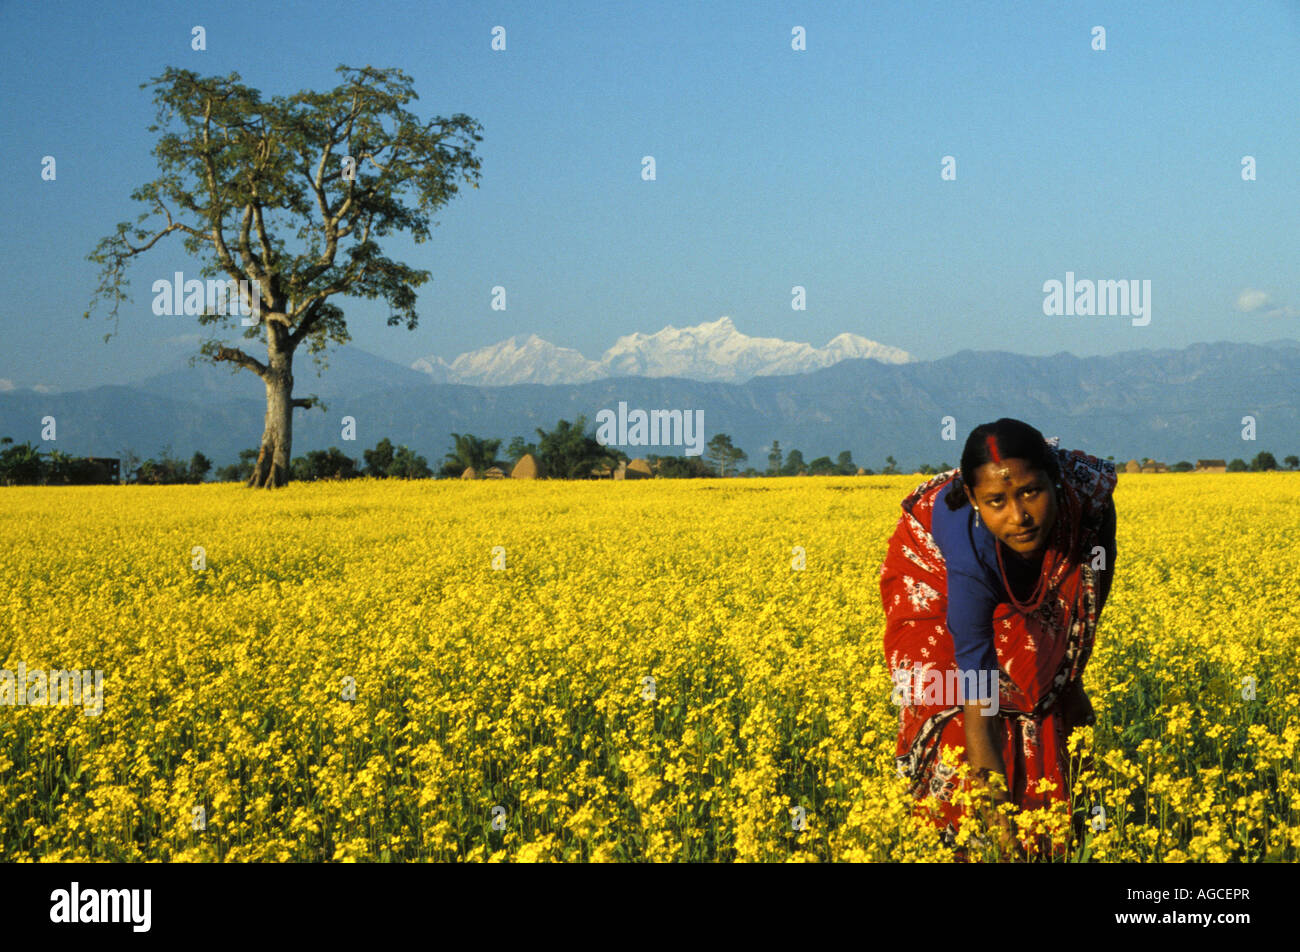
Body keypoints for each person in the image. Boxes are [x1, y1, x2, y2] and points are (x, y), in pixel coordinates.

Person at [879, 418, 1117, 859]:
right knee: (955, 703)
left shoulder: (1087, 502)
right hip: (932, 575)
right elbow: (980, 699)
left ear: (1055, 480)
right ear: (973, 499)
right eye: (996, 502)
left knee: (1044, 689)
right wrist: (998, 836)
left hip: (1039, 549)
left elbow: (1088, 595)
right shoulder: (969, 562)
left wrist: (1070, 675)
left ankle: (1049, 830)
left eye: (1031, 492)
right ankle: (959, 838)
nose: (1019, 516)